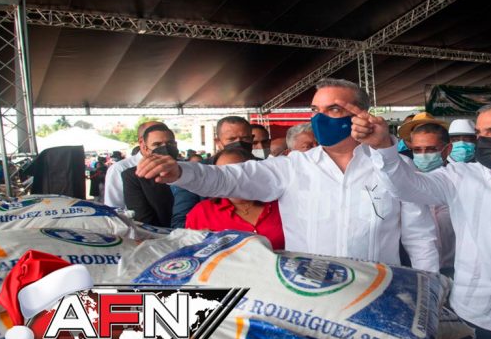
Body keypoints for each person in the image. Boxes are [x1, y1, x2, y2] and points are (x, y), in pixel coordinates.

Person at [135, 78, 439, 272]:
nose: (320, 118)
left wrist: (429, 292)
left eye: (333, 109)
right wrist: (181, 171)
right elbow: (228, 179)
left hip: (377, 292)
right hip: (308, 294)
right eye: (316, 110)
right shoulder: (292, 167)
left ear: (361, 114)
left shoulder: (395, 167)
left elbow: (420, 238)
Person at [349, 100, 491, 339]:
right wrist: (383, 147)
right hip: (475, 311)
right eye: (479, 133)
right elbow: (406, 187)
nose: (483, 139)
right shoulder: (459, 176)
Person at [185, 148, 284, 249]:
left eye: (235, 173)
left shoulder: (281, 203)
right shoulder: (201, 213)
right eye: (221, 174)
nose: (230, 180)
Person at [170, 116, 254, 229]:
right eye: (231, 139)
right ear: (218, 142)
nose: (239, 143)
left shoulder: (264, 167)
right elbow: (181, 223)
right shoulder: (193, 173)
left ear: (252, 139)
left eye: (245, 138)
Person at [408, 121, 456, 276]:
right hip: (416, 270)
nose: (423, 155)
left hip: (458, 268)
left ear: (447, 150)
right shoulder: (405, 185)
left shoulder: (460, 183)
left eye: (430, 149)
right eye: (417, 150)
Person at [122, 124, 178, 227]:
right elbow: (142, 218)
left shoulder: (190, 171)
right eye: (157, 144)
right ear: (146, 148)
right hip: (159, 234)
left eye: (170, 143)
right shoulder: (134, 176)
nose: (165, 148)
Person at [103, 120, 161, 209]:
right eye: (158, 143)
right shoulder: (120, 168)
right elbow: (114, 207)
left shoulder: (177, 167)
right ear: (142, 142)